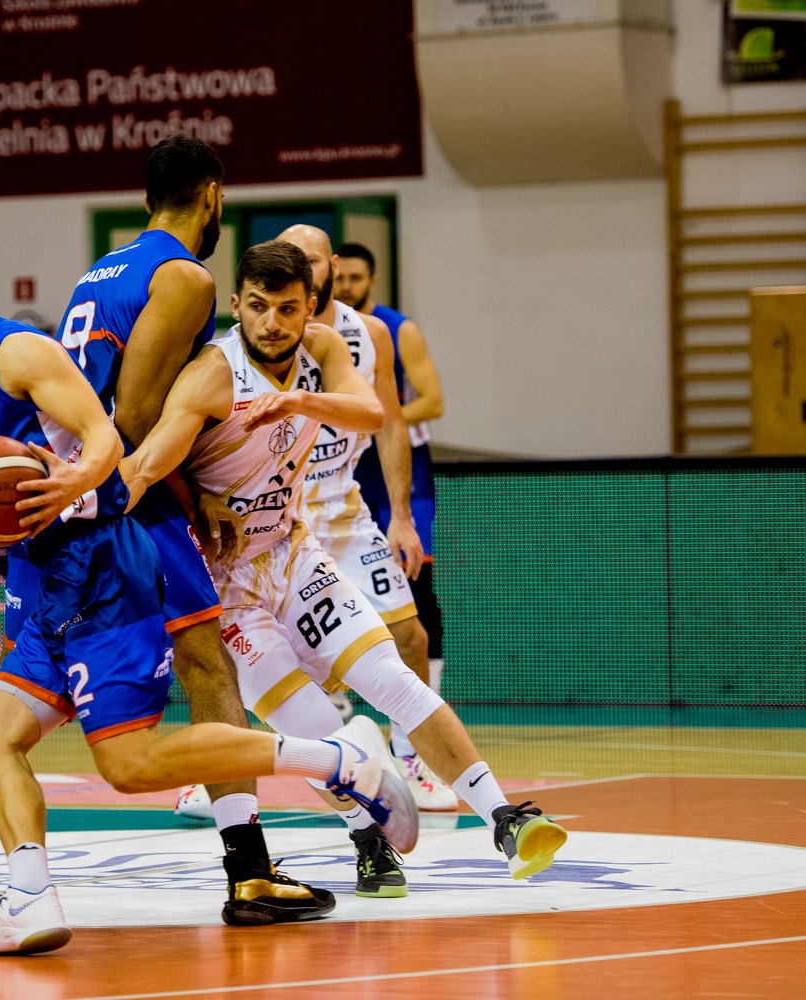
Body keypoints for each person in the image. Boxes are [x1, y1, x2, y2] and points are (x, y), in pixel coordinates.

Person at [0, 137, 331, 926]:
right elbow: (132, 415)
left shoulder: (99, 273)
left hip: (52, 517)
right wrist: (183, 491)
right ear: (212, 195)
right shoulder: (184, 277)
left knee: (11, 690)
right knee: (202, 667)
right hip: (118, 504)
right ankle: (253, 866)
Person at [0, 219, 411, 956]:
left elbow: (111, 435)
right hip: (56, 574)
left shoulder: (16, 348)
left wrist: (80, 483)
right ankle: (29, 898)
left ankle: (338, 758)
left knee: (130, 763)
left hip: (100, 566)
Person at [122, 240, 568, 898]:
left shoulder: (325, 349)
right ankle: (366, 838)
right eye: (258, 307)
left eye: (287, 308)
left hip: (292, 551)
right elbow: (146, 463)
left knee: (393, 679)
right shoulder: (213, 374)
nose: (272, 322)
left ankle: (506, 819)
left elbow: (372, 411)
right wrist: (81, 500)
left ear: (311, 308)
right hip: (227, 580)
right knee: (312, 727)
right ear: (237, 306)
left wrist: (299, 404)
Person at [273, 224, 456, 812]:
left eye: (312, 260)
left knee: (410, 635)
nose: (302, 269)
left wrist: (401, 516)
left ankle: (413, 759)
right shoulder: (263, 334)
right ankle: (215, 779)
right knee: (248, 655)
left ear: (332, 266)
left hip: (344, 508)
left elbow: (392, 423)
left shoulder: (369, 333)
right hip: (281, 516)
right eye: (291, 259)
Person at [335, 242, 447, 707]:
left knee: (415, 580)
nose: (347, 286)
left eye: (356, 278)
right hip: (348, 467)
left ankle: (428, 697)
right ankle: (338, 692)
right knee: (335, 582)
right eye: (341, 278)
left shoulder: (398, 329)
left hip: (402, 468)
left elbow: (433, 400)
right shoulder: (320, 330)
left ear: (373, 280)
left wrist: (377, 420)